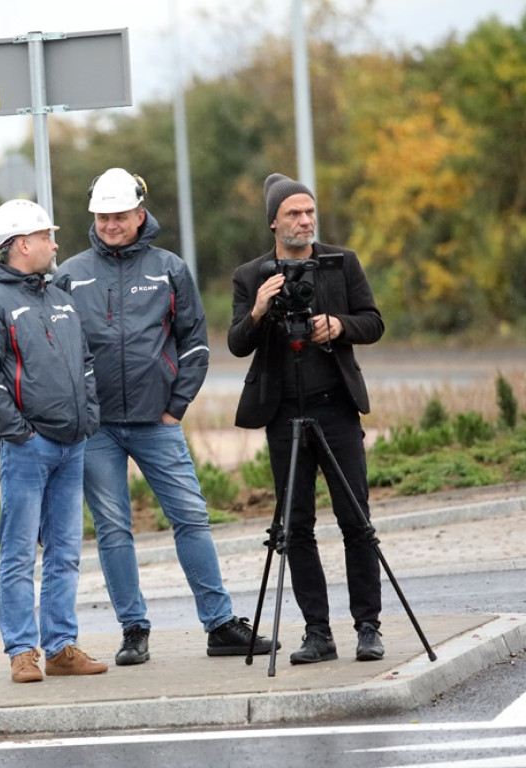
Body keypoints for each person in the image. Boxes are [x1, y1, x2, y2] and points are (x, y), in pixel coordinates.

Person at [54, 168, 273, 665]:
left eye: (119, 216)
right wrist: (81, 413)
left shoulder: (169, 268)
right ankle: (134, 630)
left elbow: (195, 342)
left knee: (191, 517)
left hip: (159, 421)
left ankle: (219, 625)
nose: (110, 224)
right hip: (99, 428)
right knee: (113, 529)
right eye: (102, 216)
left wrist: (177, 407)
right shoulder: (70, 273)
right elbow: (59, 352)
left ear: (139, 214)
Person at [227, 173, 386, 664]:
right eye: (293, 213)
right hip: (283, 414)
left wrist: (338, 325)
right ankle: (318, 632)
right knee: (296, 529)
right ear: (273, 221)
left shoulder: (341, 263)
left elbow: (374, 321)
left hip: (335, 407)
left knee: (356, 520)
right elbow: (236, 344)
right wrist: (257, 310)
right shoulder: (251, 275)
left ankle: (368, 628)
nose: (304, 220)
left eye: (309, 211)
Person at [0, 199, 107, 683]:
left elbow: (85, 363)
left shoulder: (60, 296)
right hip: (28, 447)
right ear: (22, 244)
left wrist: (88, 419)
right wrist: (19, 433)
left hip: (73, 443)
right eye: (47, 236)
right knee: (20, 552)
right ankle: (22, 651)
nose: (55, 243)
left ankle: (61, 646)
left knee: (66, 550)